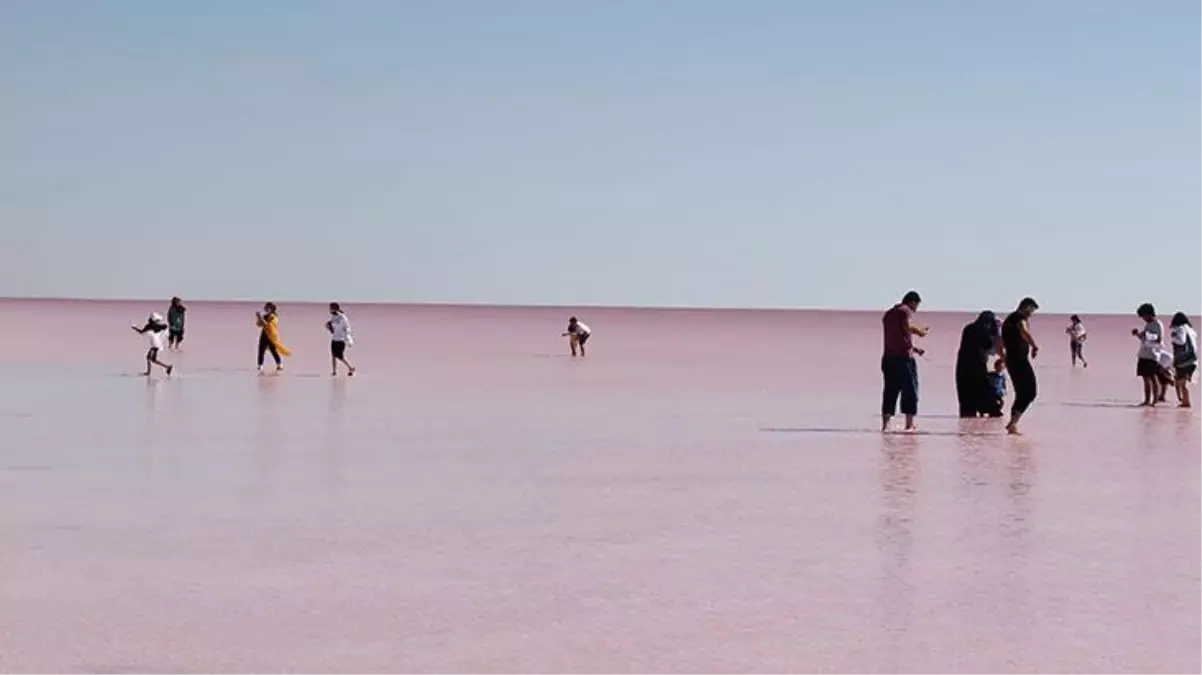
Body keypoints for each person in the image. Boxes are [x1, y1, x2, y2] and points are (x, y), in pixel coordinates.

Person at [881, 291, 928, 432]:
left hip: (888, 358)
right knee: (910, 390)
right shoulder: (905, 310)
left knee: (890, 390)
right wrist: (920, 331)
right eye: (917, 306)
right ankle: (909, 424)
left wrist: (914, 348)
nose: (916, 310)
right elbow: (907, 328)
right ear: (913, 302)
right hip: (903, 360)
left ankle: (886, 425)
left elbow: (897, 337)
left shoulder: (888, 314)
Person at [999, 297, 1039, 435]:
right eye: (1031, 310)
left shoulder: (1008, 320)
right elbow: (1023, 330)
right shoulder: (1019, 317)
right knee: (1031, 391)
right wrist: (1034, 346)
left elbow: (1000, 341)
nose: (1031, 314)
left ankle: (1012, 424)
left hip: (1012, 360)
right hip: (1019, 360)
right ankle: (1013, 423)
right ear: (1026, 307)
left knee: (1021, 392)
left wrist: (1003, 358)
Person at [955, 311, 1000, 418]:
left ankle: (968, 416)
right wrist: (997, 330)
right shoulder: (983, 330)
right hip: (977, 364)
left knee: (966, 390)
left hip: (963, 364)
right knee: (982, 387)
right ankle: (986, 410)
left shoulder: (969, 328)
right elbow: (989, 345)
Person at [1132, 303, 1165, 406]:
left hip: (1152, 355)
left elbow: (1158, 339)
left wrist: (1146, 335)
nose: (1143, 318)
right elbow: (1144, 338)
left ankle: (1155, 400)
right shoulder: (1148, 324)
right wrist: (1138, 334)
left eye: (1144, 316)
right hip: (1144, 354)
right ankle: (1146, 400)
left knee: (1153, 378)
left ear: (1149, 314)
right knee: (1145, 379)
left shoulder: (1157, 324)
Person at [131, 312, 174, 377]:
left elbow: (141, 332)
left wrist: (135, 328)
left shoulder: (149, 326)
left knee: (152, 359)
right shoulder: (159, 326)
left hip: (155, 344)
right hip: (157, 343)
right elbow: (166, 327)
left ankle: (167, 367)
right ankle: (164, 368)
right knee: (150, 358)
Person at [1170, 313, 1198, 408]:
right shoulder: (1191, 330)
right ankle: (1184, 400)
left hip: (1183, 361)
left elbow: (1181, 341)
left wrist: (1173, 337)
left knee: (1181, 382)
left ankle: (1185, 402)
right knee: (1183, 381)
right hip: (1192, 359)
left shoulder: (1180, 329)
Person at [255, 302, 292, 373]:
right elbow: (259, 324)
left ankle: (279, 364)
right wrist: (258, 318)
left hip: (272, 335)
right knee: (261, 350)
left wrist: (260, 318)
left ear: (271, 309)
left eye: (267, 307)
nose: (265, 308)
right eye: (265, 307)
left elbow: (268, 325)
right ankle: (260, 365)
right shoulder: (265, 316)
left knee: (273, 350)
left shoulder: (274, 316)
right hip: (264, 334)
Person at [326, 303, 356, 376]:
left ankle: (351, 367)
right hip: (334, 338)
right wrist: (329, 327)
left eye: (331, 308)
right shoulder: (333, 317)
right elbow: (332, 329)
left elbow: (348, 327)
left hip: (341, 339)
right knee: (333, 355)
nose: (330, 309)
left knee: (340, 356)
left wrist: (347, 337)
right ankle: (334, 371)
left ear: (335, 308)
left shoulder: (343, 317)